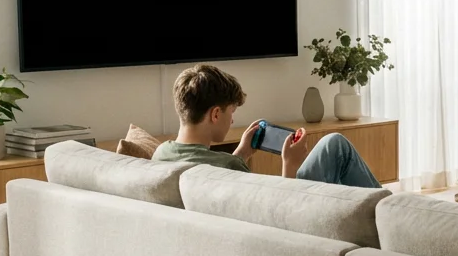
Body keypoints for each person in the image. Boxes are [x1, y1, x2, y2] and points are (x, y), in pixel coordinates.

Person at [152, 64, 380, 187]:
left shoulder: (160, 154)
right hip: (292, 216)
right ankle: (387, 211)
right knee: (335, 145)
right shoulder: (228, 166)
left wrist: (241, 153)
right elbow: (276, 210)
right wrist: (289, 164)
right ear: (215, 114)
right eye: (232, 111)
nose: (232, 120)